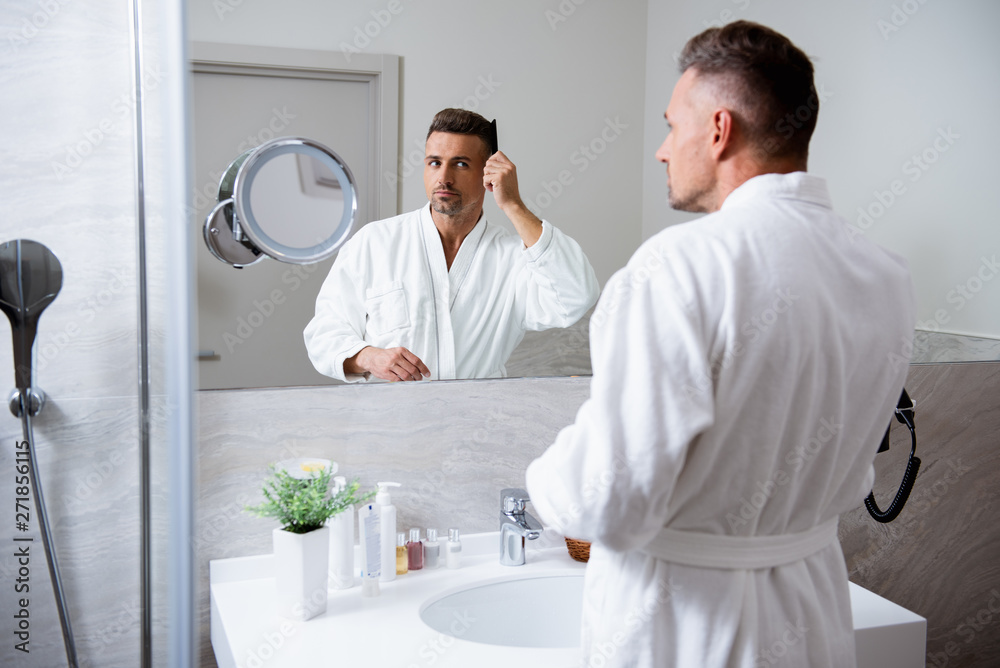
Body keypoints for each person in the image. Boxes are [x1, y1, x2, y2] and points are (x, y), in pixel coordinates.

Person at [525, 21, 915, 667]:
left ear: (719, 129)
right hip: (813, 611)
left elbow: (608, 502)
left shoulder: (677, 268)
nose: (660, 149)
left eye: (673, 126)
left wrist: (546, 476)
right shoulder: (883, 274)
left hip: (686, 626)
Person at [304, 108, 599, 383]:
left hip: (478, 427)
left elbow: (574, 298)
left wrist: (513, 205)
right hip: (388, 425)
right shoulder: (375, 243)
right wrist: (368, 357)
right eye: (435, 163)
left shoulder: (513, 258)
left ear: (489, 172)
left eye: (460, 164)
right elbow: (324, 333)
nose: (443, 178)